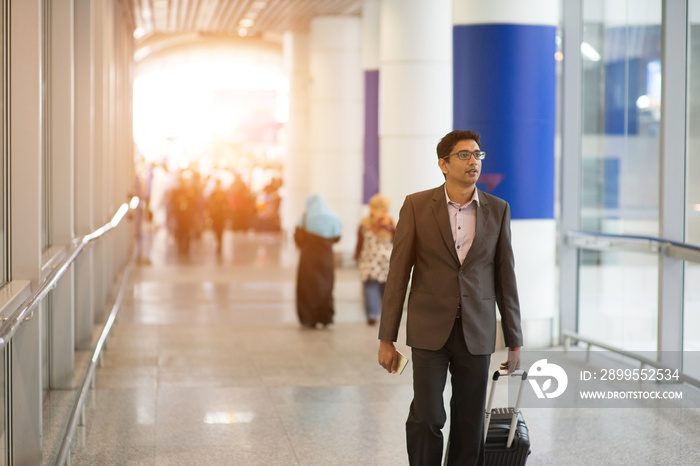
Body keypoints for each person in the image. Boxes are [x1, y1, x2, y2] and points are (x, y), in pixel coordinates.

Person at [377, 129, 523, 466]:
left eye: (477, 155)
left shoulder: (498, 210)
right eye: (464, 155)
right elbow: (398, 276)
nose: (473, 161)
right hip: (429, 328)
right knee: (427, 415)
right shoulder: (416, 205)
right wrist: (387, 338)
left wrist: (514, 341)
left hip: (477, 329)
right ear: (443, 163)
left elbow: (505, 278)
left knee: (469, 421)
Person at [294, 194, 342, 328]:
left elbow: (297, 237)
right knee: (325, 286)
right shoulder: (332, 216)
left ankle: (309, 318)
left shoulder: (305, 217)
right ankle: (325, 316)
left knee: (307, 287)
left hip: (308, 259)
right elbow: (337, 237)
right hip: (326, 258)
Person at [354, 194, 396, 326]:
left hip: (369, 259)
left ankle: (372, 314)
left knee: (369, 286)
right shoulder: (390, 222)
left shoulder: (365, 222)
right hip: (387, 260)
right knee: (386, 288)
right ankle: (387, 315)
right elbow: (397, 240)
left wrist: (356, 255)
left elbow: (360, 242)